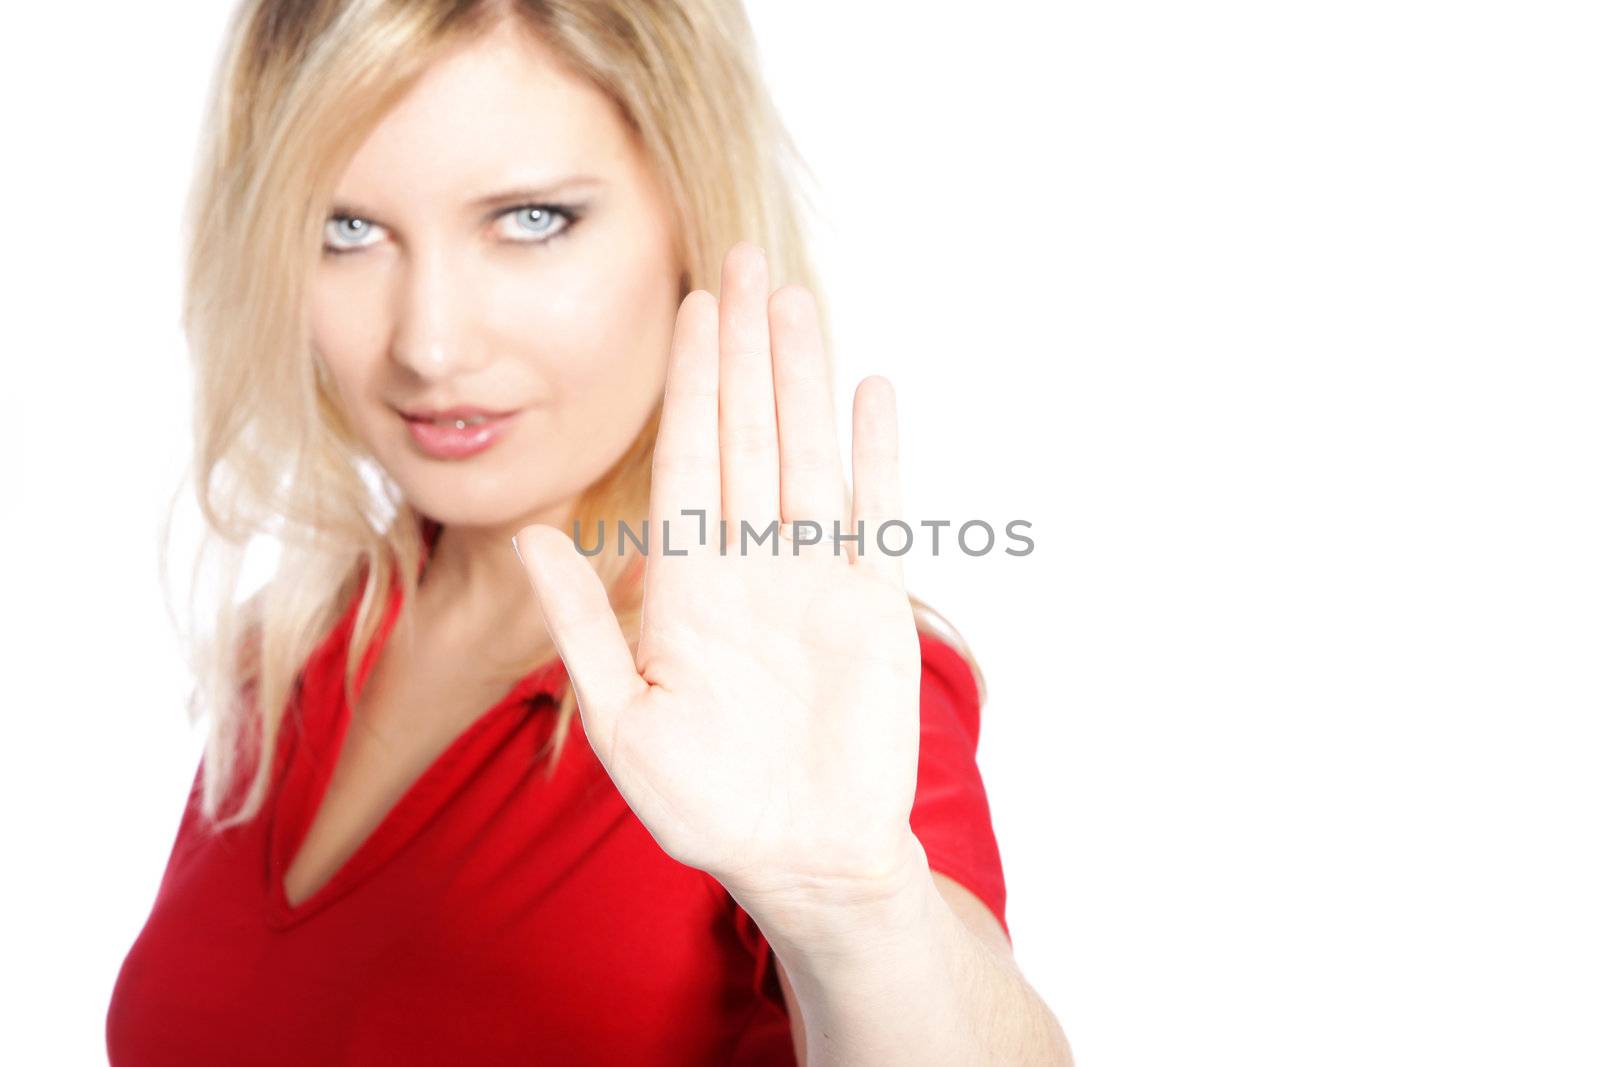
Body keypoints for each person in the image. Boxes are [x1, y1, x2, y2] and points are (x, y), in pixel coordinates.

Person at [106, 1, 1073, 1063]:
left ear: (687, 213)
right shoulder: (290, 656)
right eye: (346, 229)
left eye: (529, 219)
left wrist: (853, 912)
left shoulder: (792, 684)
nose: (428, 343)